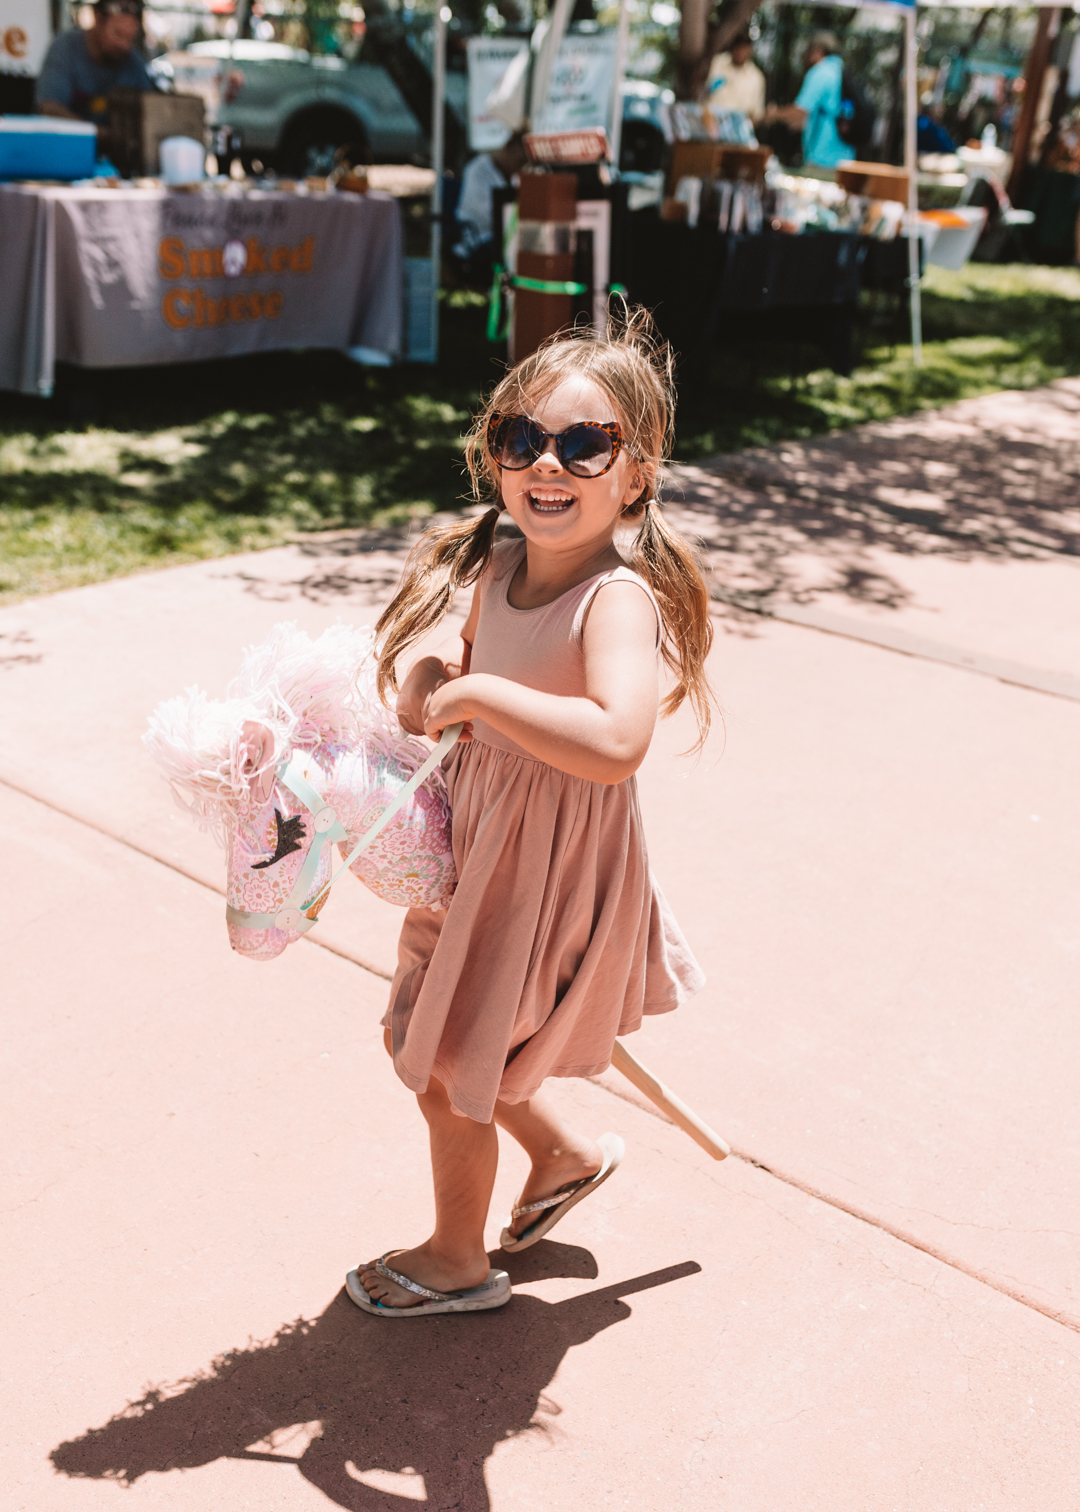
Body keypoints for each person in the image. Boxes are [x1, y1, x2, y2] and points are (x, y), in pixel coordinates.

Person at [347, 310, 712, 1314]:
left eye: (585, 444)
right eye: (522, 439)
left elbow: (615, 739)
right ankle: (563, 1154)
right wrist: (433, 674)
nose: (548, 464)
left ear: (635, 474)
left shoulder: (616, 603)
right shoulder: (500, 569)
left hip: (543, 878)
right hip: (478, 853)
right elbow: (469, 673)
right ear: (494, 455)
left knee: (448, 1062)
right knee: (440, 1038)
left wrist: (476, 700)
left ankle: (457, 1262)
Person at [36, 0, 155, 132]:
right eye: (118, 34)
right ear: (97, 19)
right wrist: (99, 135)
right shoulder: (65, 49)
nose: (124, 45)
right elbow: (48, 108)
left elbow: (151, 111)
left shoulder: (134, 62)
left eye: (130, 39)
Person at [764, 30, 851, 170]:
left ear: (817, 50)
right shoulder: (841, 70)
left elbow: (801, 110)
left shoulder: (820, 72)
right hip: (845, 157)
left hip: (822, 159)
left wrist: (773, 114)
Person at [453, 131, 529, 263]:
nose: (520, 167)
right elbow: (488, 215)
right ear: (508, 148)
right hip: (480, 240)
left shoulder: (513, 176)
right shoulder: (477, 170)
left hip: (506, 238)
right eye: (520, 161)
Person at [704, 32, 766, 126]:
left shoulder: (757, 78)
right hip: (710, 124)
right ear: (733, 48)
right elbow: (705, 91)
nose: (741, 53)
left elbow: (757, 115)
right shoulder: (717, 63)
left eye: (745, 50)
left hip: (738, 129)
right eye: (739, 49)